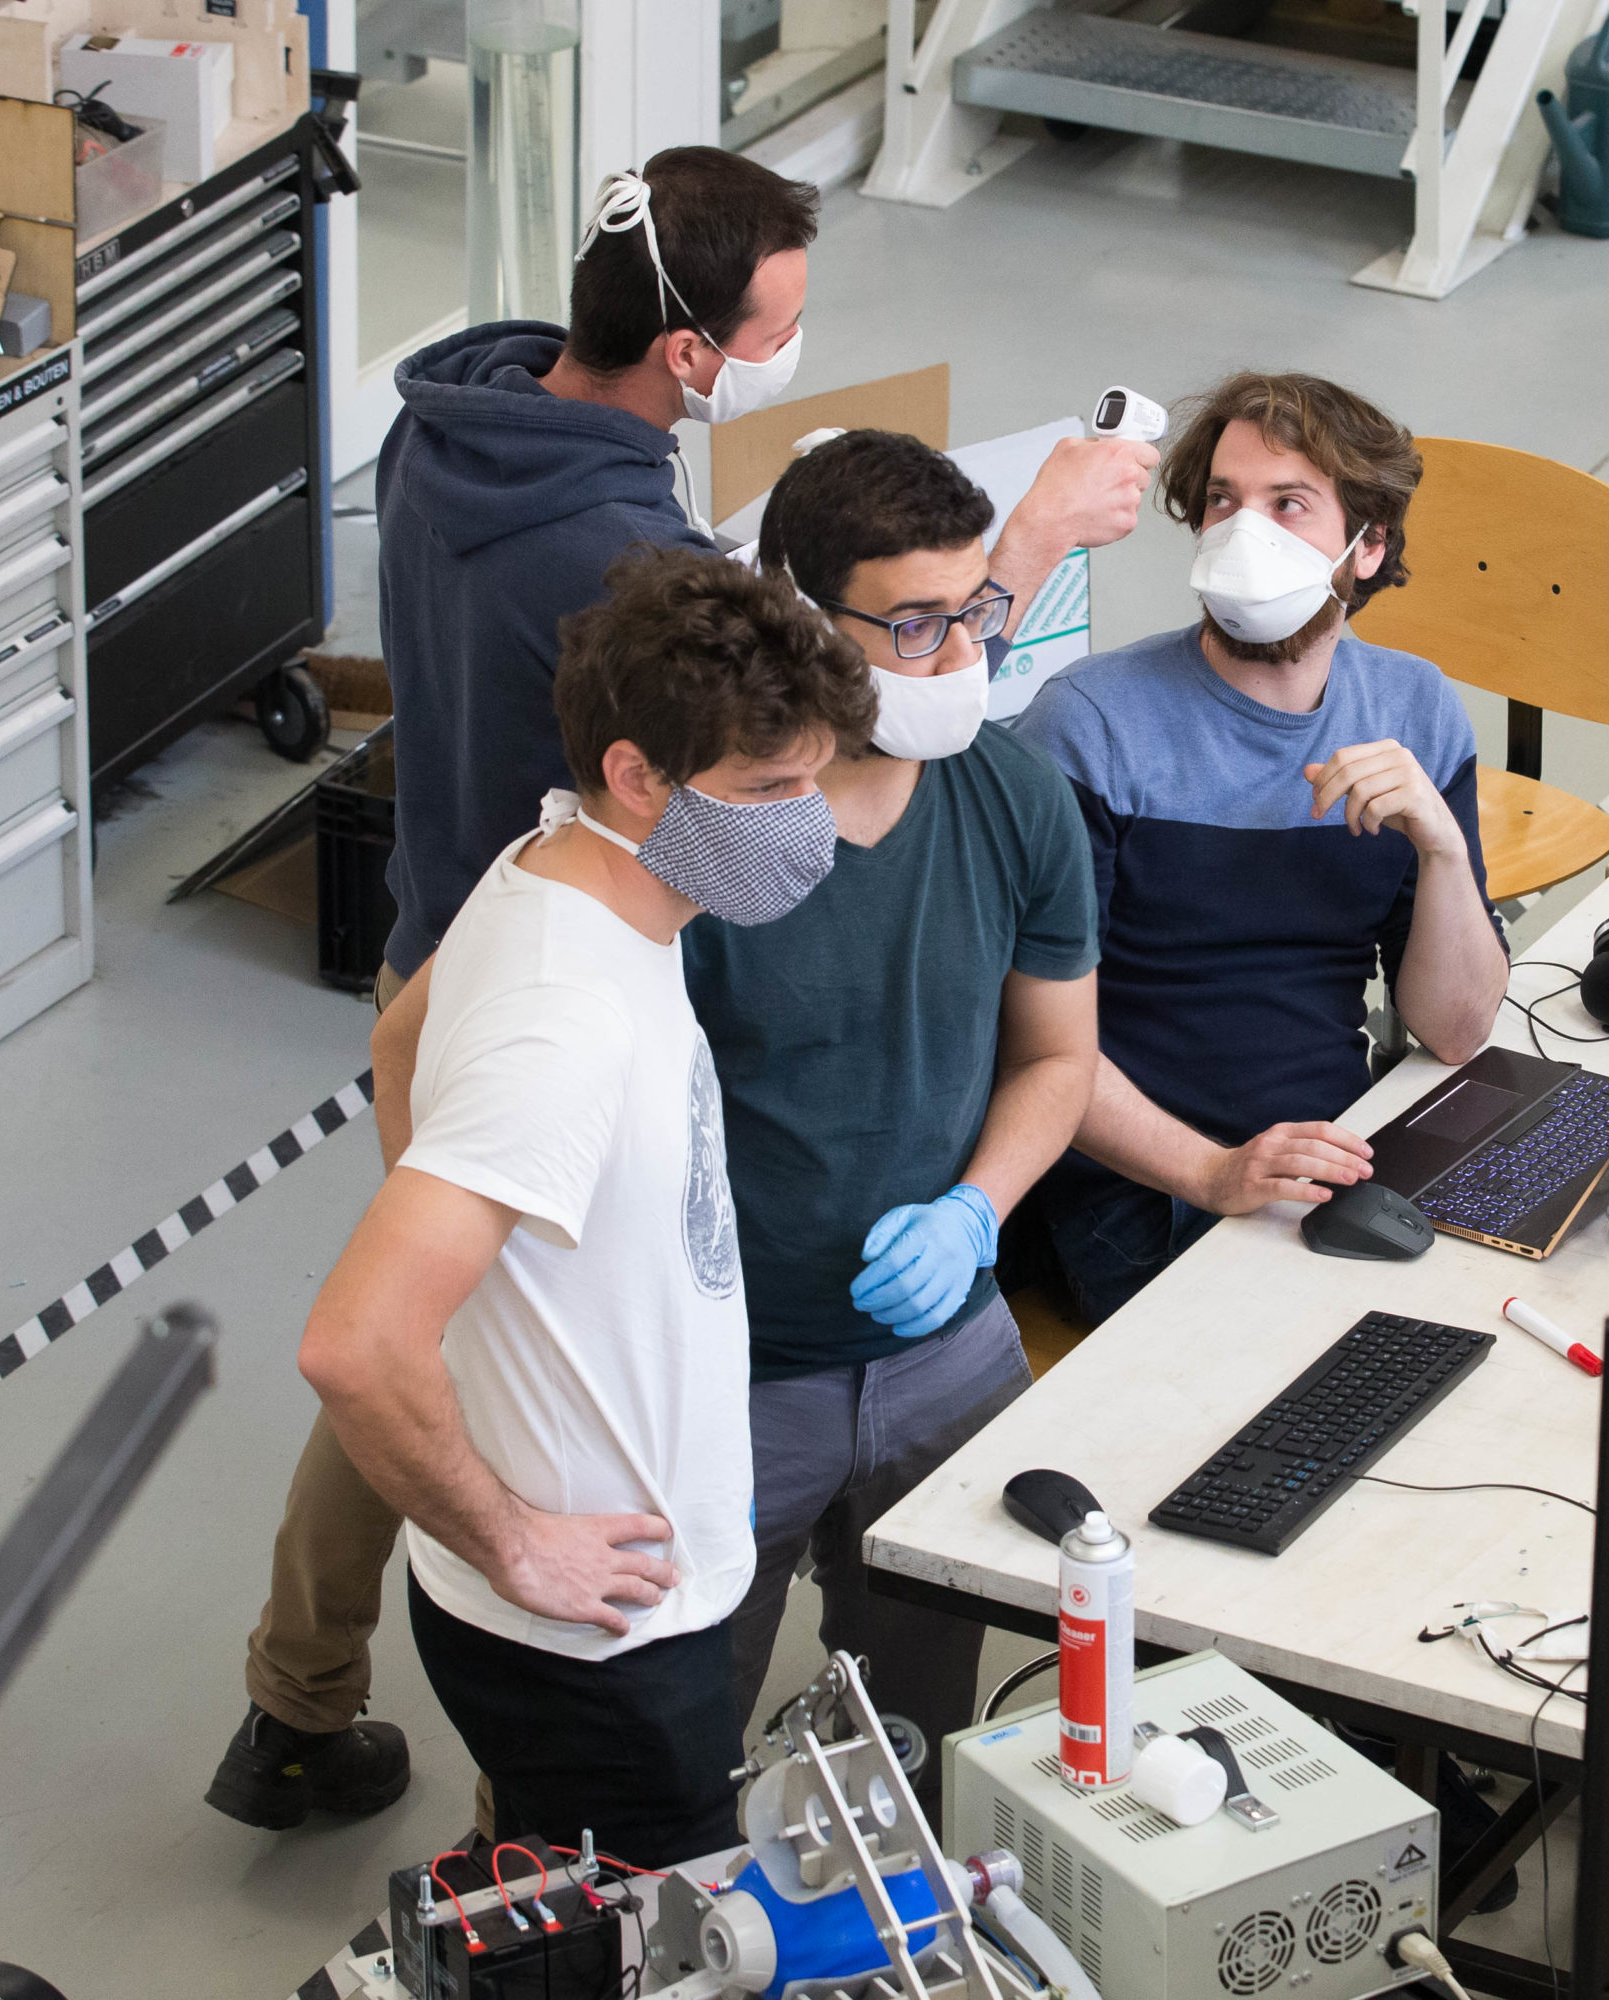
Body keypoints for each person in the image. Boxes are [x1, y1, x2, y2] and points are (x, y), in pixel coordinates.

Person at [207, 144, 1152, 1827]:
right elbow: (806, 698)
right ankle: (330, 1683)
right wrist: (1024, 557)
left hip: (456, 919)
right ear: (695, 352)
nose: (798, 344)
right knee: (456, 1330)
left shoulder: (468, 411)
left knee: (455, 1299)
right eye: (781, 319)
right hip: (544, 958)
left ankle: (298, 1693)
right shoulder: (619, 574)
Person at [295, 549, 874, 1864]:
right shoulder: (567, 1024)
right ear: (636, 774)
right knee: (645, 1938)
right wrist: (516, 1540)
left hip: (612, 1601)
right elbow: (353, 1344)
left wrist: (499, 1297)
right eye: (771, 790)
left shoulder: (553, 863)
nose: (813, 822)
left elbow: (398, 1046)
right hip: (598, 1636)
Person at [695, 430, 1100, 1770]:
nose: (960, 655)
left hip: (946, 1357)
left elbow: (1056, 1060)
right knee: (673, 1760)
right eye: (916, 624)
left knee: (914, 1752)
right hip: (733, 1377)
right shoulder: (713, 833)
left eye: (977, 612)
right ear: (808, 618)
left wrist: (976, 1214)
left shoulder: (1018, 802)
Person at [1011, 372, 1509, 1323]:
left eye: (1289, 506)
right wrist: (1213, 1171)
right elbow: (1030, 1044)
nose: (1246, 531)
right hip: (1141, 1182)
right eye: (1222, 503)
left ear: (1369, 547)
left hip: (1338, 1148)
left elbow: (1453, 1030)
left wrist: (1443, 854)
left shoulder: (1415, 708)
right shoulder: (1091, 728)